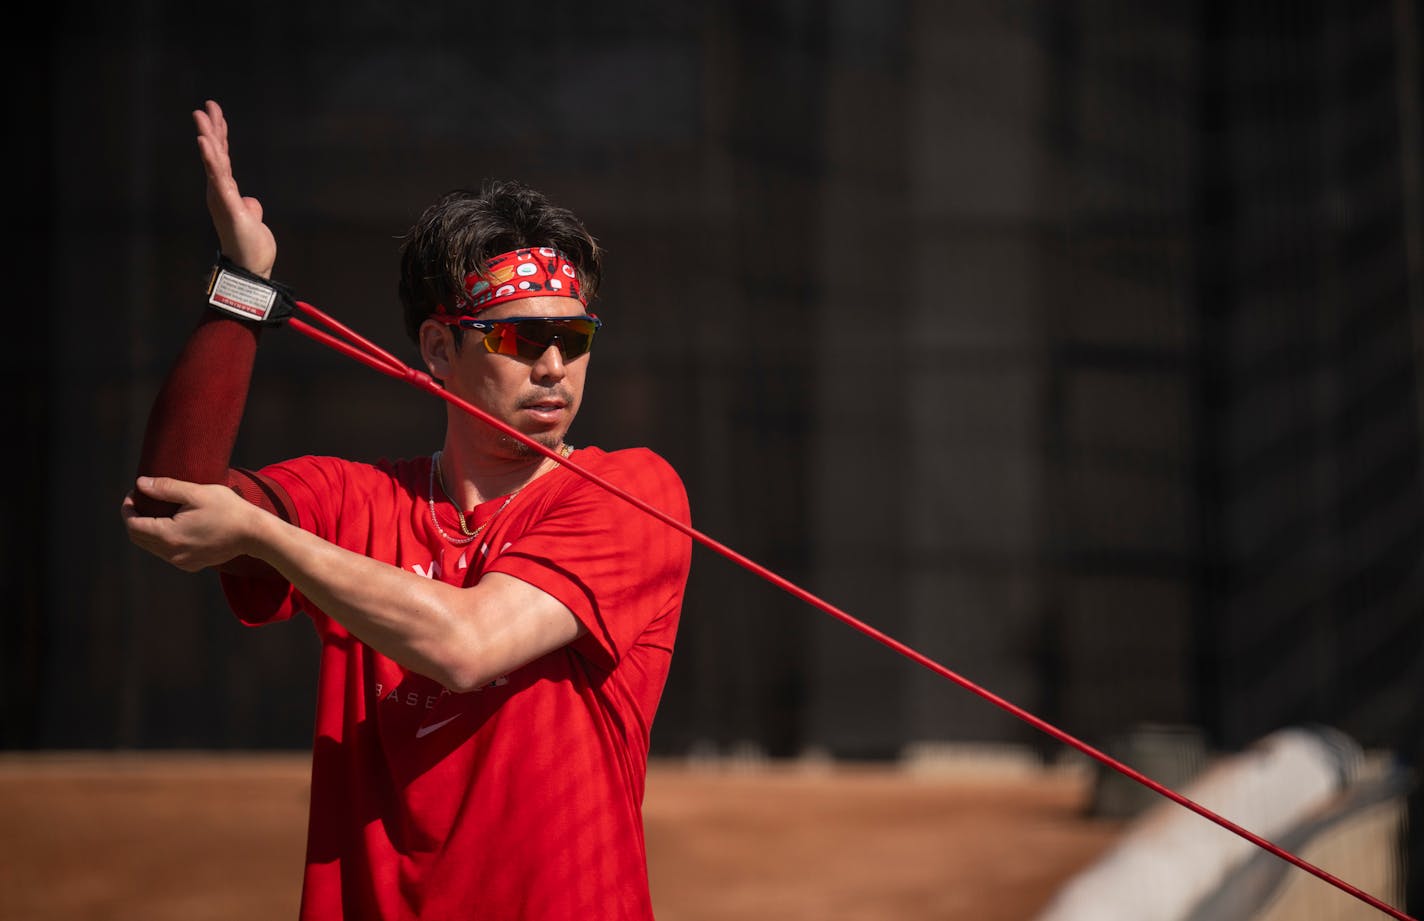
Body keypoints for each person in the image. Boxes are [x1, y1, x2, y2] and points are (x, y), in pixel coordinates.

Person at [123, 99, 693, 921]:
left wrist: (265, 536)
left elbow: (466, 645)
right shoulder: (356, 498)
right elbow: (165, 501)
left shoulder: (630, 490)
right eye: (519, 339)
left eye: (576, 337)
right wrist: (240, 291)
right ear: (437, 349)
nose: (556, 366)